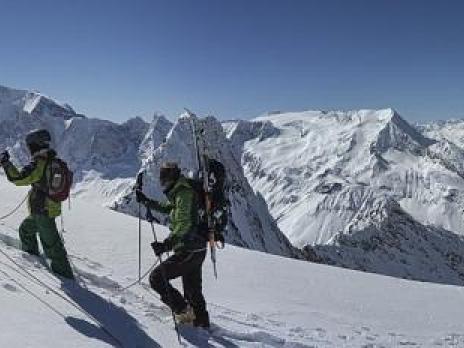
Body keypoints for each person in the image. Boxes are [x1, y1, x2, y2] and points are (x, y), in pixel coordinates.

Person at [136, 162, 210, 328]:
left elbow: (184, 224)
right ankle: (201, 323)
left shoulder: (183, 193)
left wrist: (166, 245)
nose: (163, 181)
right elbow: (170, 208)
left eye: (165, 177)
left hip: (189, 248)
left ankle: (184, 312)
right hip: (196, 248)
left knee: (157, 278)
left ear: (173, 177)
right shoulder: (180, 192)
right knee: (193, 291)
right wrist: (148, 202)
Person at [0, 129, 74, 279]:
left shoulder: (39, 163)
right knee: (25, 230)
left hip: (43, 211)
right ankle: (33, 260)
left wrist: (6, 163)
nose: (29, 148)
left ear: (35, 145)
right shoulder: (51, 160)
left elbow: (18, 178)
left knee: (53, 247)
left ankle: (67, 279)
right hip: (43, 209)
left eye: (30, 145)